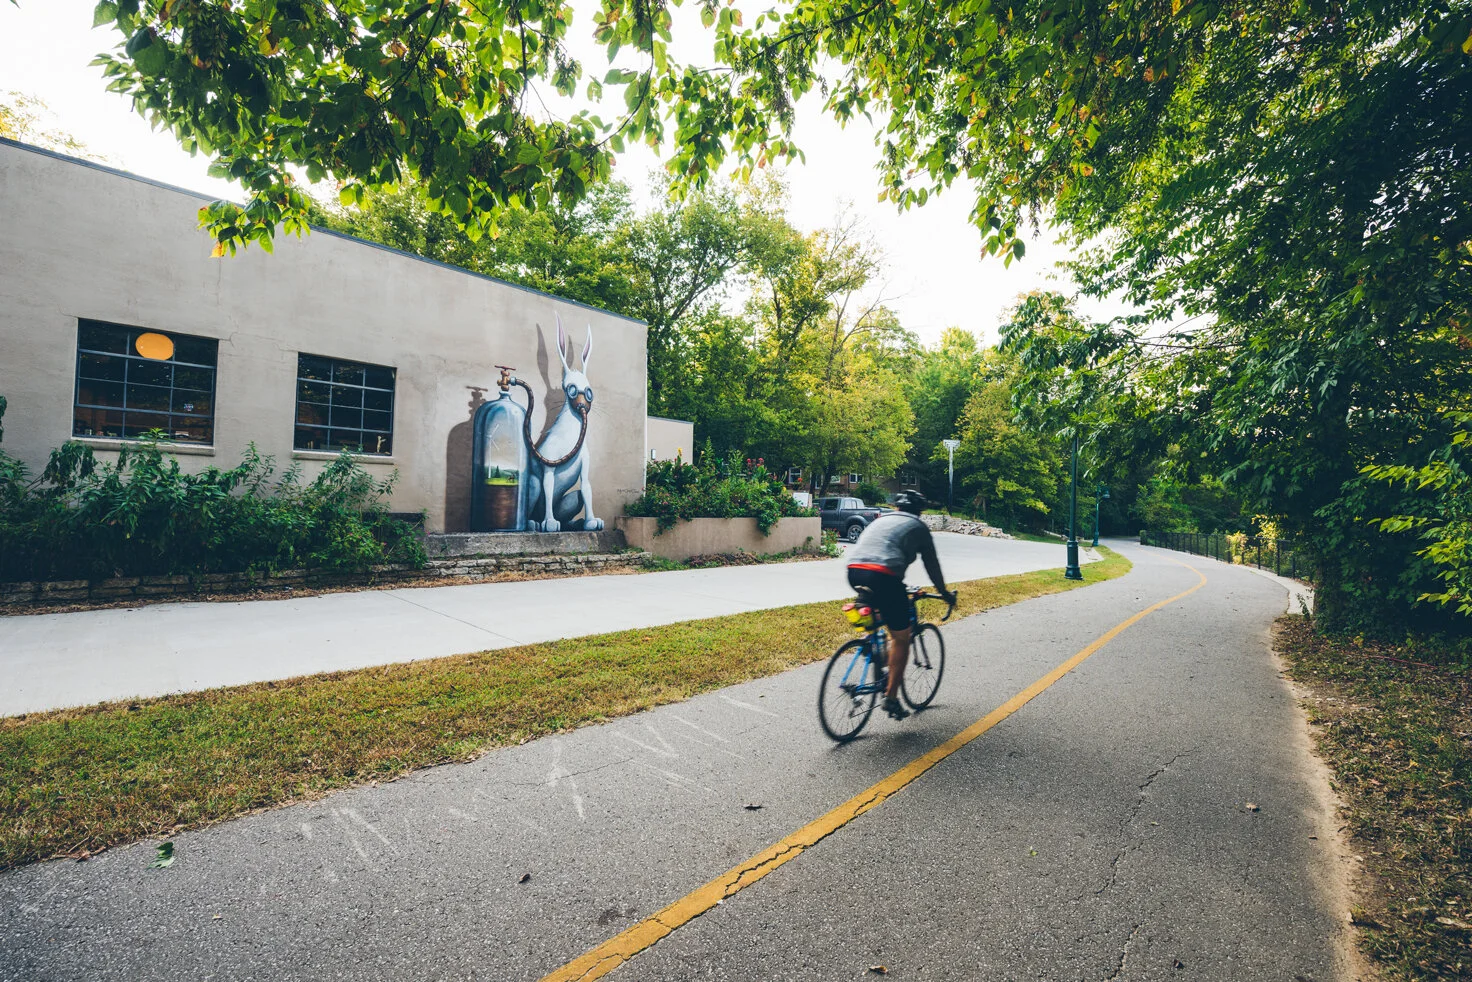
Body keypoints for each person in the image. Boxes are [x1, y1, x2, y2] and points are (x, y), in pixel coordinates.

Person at [845, 490, 956, 720]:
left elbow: (879, 551)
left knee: (879, 617)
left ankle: (873, 648)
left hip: (855, 571)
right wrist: (944, 593)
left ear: (897, 507)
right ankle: (892, 698)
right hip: (884, 576)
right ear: (919, 512)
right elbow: (932, 565)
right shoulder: (918, 527)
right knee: (901, 638)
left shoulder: (882, 519)